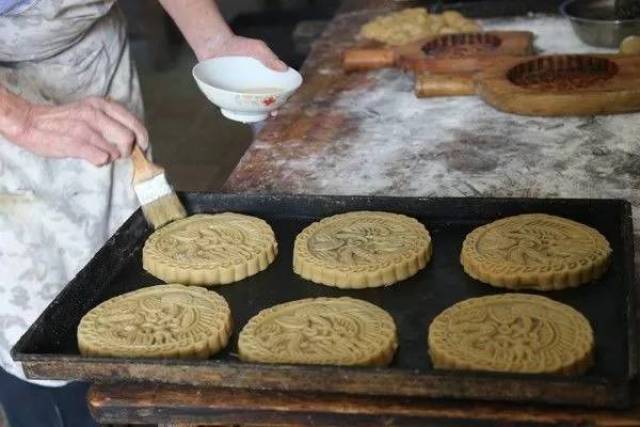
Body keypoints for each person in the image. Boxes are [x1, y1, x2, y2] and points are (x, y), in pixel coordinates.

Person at [0, 0, 286, 425]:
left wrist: (213, 39)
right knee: (40, 320)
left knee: (126, 271)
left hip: (91, 56)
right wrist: (20, 119)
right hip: (9, 107)